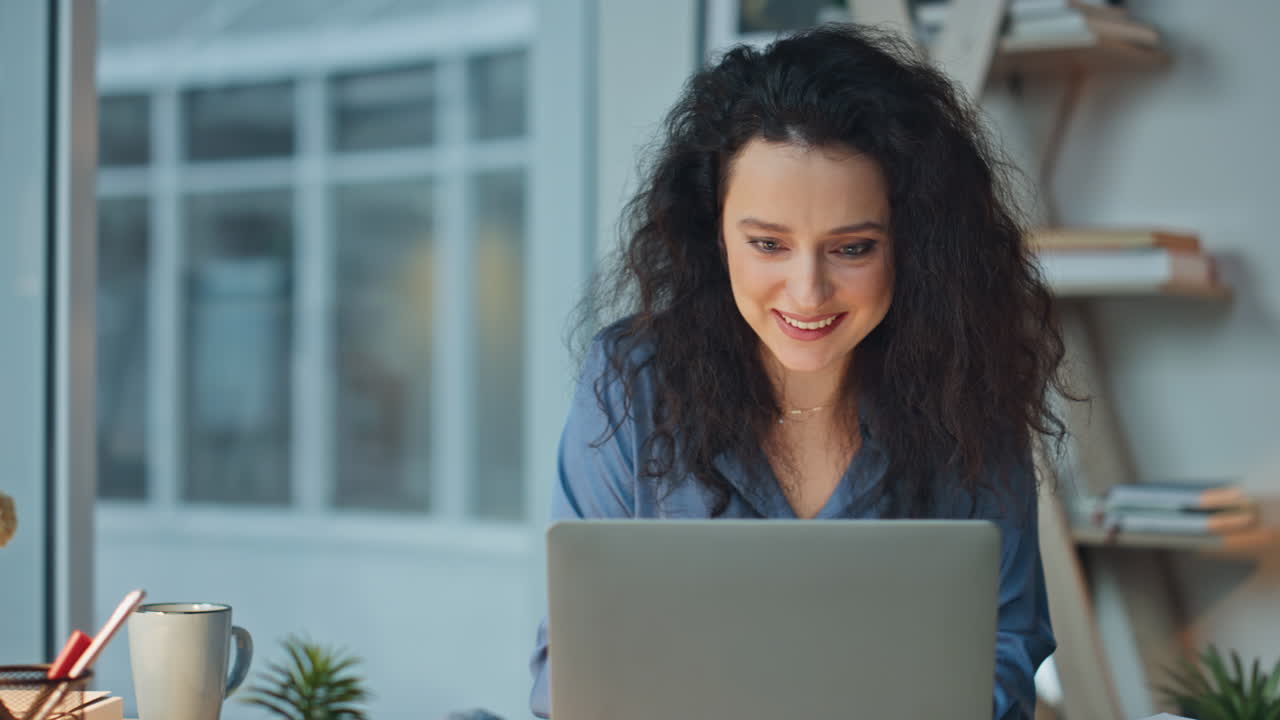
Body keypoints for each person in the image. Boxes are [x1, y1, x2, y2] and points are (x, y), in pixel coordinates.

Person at [529, 24, 1068, 720]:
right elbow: (569, 679)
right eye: (767, 244)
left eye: (852, 247)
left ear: (914, 243)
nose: (807, 292)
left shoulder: (968, 392)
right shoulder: (629, 382)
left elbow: (1006, 653)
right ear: (712, 233)